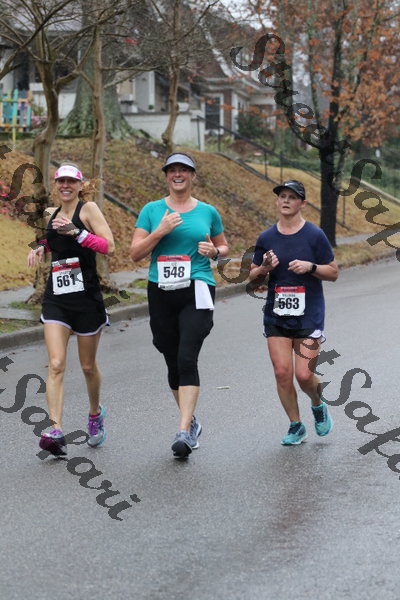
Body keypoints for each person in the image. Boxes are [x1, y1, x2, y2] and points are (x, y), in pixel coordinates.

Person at [130, 152, 229, 458]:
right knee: (171, 358)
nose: (177, 174)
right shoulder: (151, 210)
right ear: (166, 176)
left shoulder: (208, 211)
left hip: (197, 287)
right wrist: (160, 231)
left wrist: (215, 252)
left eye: (183, 170)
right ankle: (192, 421)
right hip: (161, 290)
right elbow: (135, 253)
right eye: (172, 170)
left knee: (187, 357)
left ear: (192, 176)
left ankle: (183, 431)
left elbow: (224, 246)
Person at [27, 163, 115, 457]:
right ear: (56, 184)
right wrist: (40, 246)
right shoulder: (50, 214)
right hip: (57, 299)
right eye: (61, 181)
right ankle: (55, 429)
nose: (65, 186)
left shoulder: (88, 210)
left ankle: (95, 414)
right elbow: (51, 239)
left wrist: (77, 232)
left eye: (71, 181)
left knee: (88, 366)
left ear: (79, 185)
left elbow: (109, 246)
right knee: (55, 364)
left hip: (86, 299)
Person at [249, 179, 338, 445]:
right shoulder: (266, 238)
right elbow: (252, 278)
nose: (286, 200)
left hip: (309, 313)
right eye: (282, 196)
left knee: (304, 374)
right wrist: (264, 268)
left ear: (302, 203)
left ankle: (318, 404)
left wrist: (311, 267)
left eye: (292, 197)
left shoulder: (314, 235)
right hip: (276, 313)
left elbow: (333, 272)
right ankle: (296, 425)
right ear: (277, 201)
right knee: (282, 372)